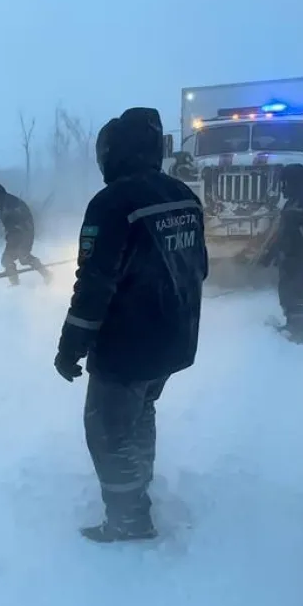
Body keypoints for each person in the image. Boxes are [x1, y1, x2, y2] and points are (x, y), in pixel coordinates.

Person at [54, 106, 209, 543]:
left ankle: (128, 518)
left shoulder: (112, 204)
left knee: (105, 428)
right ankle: (138, 484)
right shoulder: (183, 194)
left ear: (112, 152)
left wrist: (71, 346)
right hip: (175, 338)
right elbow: (200, 268)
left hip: (128, 343)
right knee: (141, 412)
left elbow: (94, 284)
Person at [258, 163, 303, 344]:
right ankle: (291, 325)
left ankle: (300, 332)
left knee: (297, 293)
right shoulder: (291, 202)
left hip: (301, 256)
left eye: (285, 183)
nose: (283, 187)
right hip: (288, 256)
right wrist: (270, 254)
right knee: (286, 292)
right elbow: (283, 232)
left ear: (294, 182)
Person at [0, 182, 52, 285]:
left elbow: (19, 222)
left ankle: (45, 274)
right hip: (16, 235)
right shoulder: (6, 203)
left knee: (22, 257)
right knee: (10, 259)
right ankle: (15, 282)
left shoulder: (10, 203)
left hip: (23, 233)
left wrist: (15, 238)